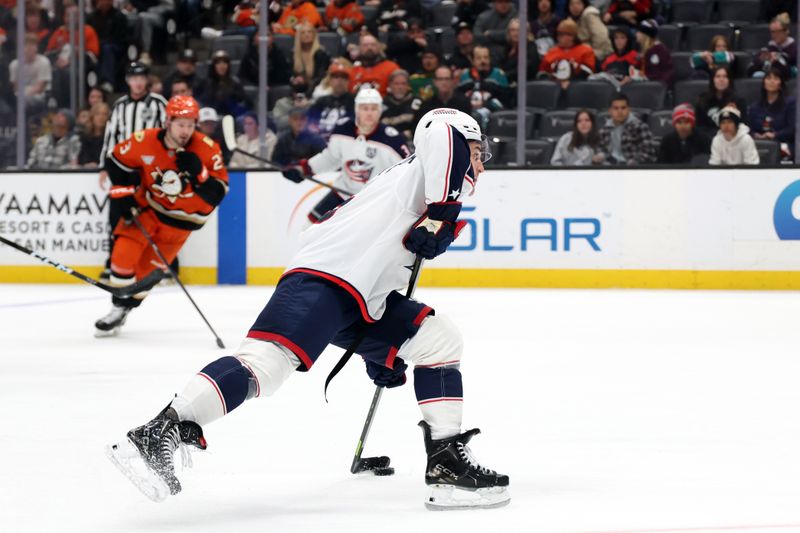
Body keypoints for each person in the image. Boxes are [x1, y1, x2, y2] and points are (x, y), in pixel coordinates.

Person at [105, 107, 510, 510]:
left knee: (438, 340)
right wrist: (441, 215)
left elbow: (384, 263)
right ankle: (162, 428)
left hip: (361, 297)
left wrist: (379, 351)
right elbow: (440, 129)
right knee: (263, 367)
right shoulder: (426, 163)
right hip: (325, 279)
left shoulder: (419, 184)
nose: (480, 163)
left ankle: (445, 462)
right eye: (476, 151)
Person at [94, 95, 229, 336]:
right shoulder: (144, 140)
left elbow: (217, 194)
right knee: (122, 256)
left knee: (147, 277)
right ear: (168, 122)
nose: (186, 131)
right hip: (148, 210)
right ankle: (116, 308)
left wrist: (200, 174)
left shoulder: (208, 149)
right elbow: (116, 162)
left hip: (182, 224)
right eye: (180, 124)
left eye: (190, 125)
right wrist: (123, 196)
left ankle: (126, 309)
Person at [281, 87, 411, 222]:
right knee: (311, 227)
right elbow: (330, 158)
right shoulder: (343, 130)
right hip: (343, 193)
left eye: (373, 108)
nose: (369, 113)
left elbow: (408, 172)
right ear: (357, 110)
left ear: (379, 111)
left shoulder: (393, 140)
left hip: (374, 200)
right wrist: (303, 168)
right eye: (365, 108)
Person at [99, 61, 168, 281]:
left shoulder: (158, 103)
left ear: (147, 80)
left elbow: (168, 134)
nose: (137, 82)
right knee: (118, 215)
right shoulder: (119, 105)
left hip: (151, 169)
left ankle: (163, 265)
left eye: (141, 78)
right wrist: (104, 166)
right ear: (128, 81)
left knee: (157, 215)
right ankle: (114, 263)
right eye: (133, 78)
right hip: (122, 169)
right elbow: (111, 136)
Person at [598, 93, 656, 165]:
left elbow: (649, 154)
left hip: (633, 170)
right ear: (610, 111)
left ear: (629, 109)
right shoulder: (605, 129)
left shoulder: (640, 127)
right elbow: (601, 150)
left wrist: (634, 163)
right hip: (610, 169)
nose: (620, 111)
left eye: (623, 108)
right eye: (616, 108)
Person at [747, 67, 796, 149]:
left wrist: (774, 135)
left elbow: (792, 128)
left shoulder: (790, 103)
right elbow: (749, 129)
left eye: (776, 78)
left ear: (781, 84)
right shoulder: (754, 107)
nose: (772, 81)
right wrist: (755, 135)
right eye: (768, 78)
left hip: (783, 143)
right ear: (764, 83)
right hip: (758, 144)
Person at [539, 18, 595, 89]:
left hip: (578, 89)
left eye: (562, 34)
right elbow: (542, 73)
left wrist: (571, 82)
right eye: (558, 34)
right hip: (553, 89)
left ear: (572, 36)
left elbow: (587, 72)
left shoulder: (585, 50)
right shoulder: (551, 52)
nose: (559, 37)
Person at [87, 0, 129, 92]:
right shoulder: (91, 17)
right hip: (96, 46)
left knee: (106, 48)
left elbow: (121, 38)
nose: (105, 2)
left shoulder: (119, 16)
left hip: (115, 47)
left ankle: (107, 81)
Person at [307, 63, 356, 140]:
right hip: (321, 142)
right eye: (336, 77)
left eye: (343, 77)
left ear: (348, 81)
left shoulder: (355, 101)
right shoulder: (321, 101)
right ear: (330, 80)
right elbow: (310, 122)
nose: (340, 81)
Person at [694, 66, 747, 136]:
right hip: (708, 139)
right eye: (718, 76)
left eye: (725, 76)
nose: (721, 79)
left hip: (732, 139)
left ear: (729, 80)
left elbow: (743, 125)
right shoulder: (703, 100)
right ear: (712, 80)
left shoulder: (738, 100)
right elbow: (699, 127)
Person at [458, 45, 512, 111]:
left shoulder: (498, 74)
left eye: (486, 57)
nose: (483, 61)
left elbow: (508, 100)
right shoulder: (465, 75)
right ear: (472, 60)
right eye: (479, 58)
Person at [8, 33, 51, 113]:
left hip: (38, 96)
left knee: (25, 102)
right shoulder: (14, 65)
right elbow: (15, 86)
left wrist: (25, 95)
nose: (29, 49)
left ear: (36, 48)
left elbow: (40, 86)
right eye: (26, 46)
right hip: (18, 96)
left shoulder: (44, 62)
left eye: (32, 45)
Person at [198, 50, 250, 118]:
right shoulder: (206, 83)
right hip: (210, 118)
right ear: (214, 66)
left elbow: (243, 102)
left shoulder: (235, 83)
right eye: (218, 63)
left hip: (231, 117)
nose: (221, 66)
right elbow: (202, 102)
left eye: (225, 62)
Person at [382, 70, 421, 142]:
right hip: (386, 140)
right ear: (390, 85)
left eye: (403, 83)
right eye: (396, 84)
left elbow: (421, 125)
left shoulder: (417, 102)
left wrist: (410, 133)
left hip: (411, 141)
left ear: (408, 85)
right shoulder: (382, 102)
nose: (400, 87)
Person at [292, 22, 331, 92]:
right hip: (298, 89)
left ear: (314, 35)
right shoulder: (293, 54)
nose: (306, 35)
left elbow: (320, 77)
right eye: (303, 33)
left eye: (309, 32)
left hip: (315, 89)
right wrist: (296, 79)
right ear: (298, 36)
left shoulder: (321, 54)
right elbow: (291, 75)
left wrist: (306, 83)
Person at [634, 19, 673, 87]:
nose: (636, 34)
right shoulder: (646, 50)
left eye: (639, 32)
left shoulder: (659, 50)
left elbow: (657, 74)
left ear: (645, 35)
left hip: (656, 89)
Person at [499, 17, 539, 82]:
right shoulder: (508, 47)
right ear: (509, 32)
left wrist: (506, 74)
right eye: (513, 30)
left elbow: (528, 67)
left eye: (519, 30)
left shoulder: (531, 47)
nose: (516, 33)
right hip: (507, 81)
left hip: (525, 83)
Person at [78, 102, 111, 167]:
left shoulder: (110, 137)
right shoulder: (84, 137)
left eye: (104, 114)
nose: (101, 117)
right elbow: (81, 158)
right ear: (92, 116)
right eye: (98, 114)